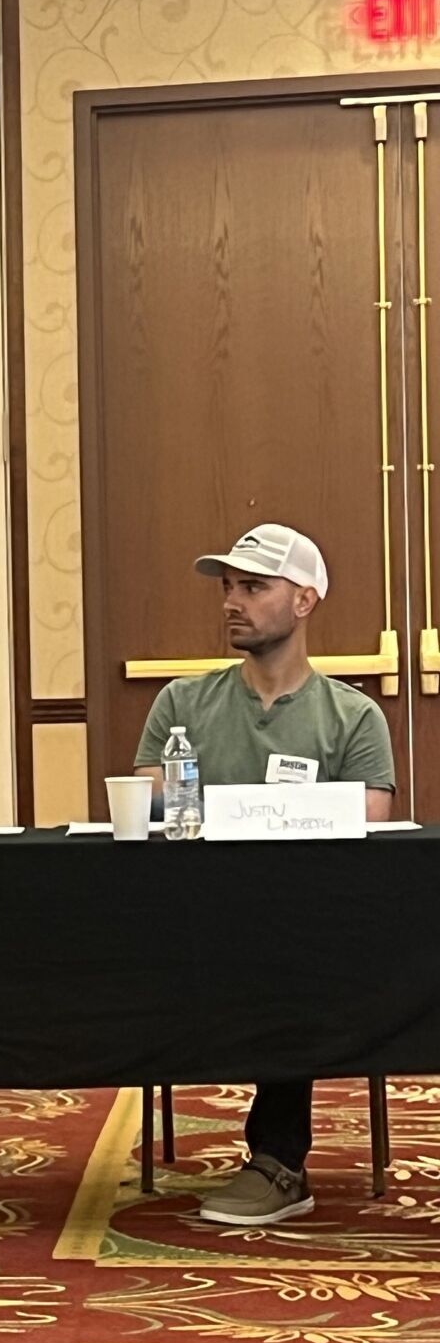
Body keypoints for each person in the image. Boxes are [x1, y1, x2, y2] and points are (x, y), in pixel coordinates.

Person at [133, 523, 393, 1227]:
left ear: (304, 600)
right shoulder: (181, 706)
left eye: (253, 587)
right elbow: (151, 805)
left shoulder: (354, 717)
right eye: (228, 587)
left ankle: (279, 1161)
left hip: (309, 931)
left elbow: (368, 824)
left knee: (292, 952)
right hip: (195, 920)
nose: (232, 602)